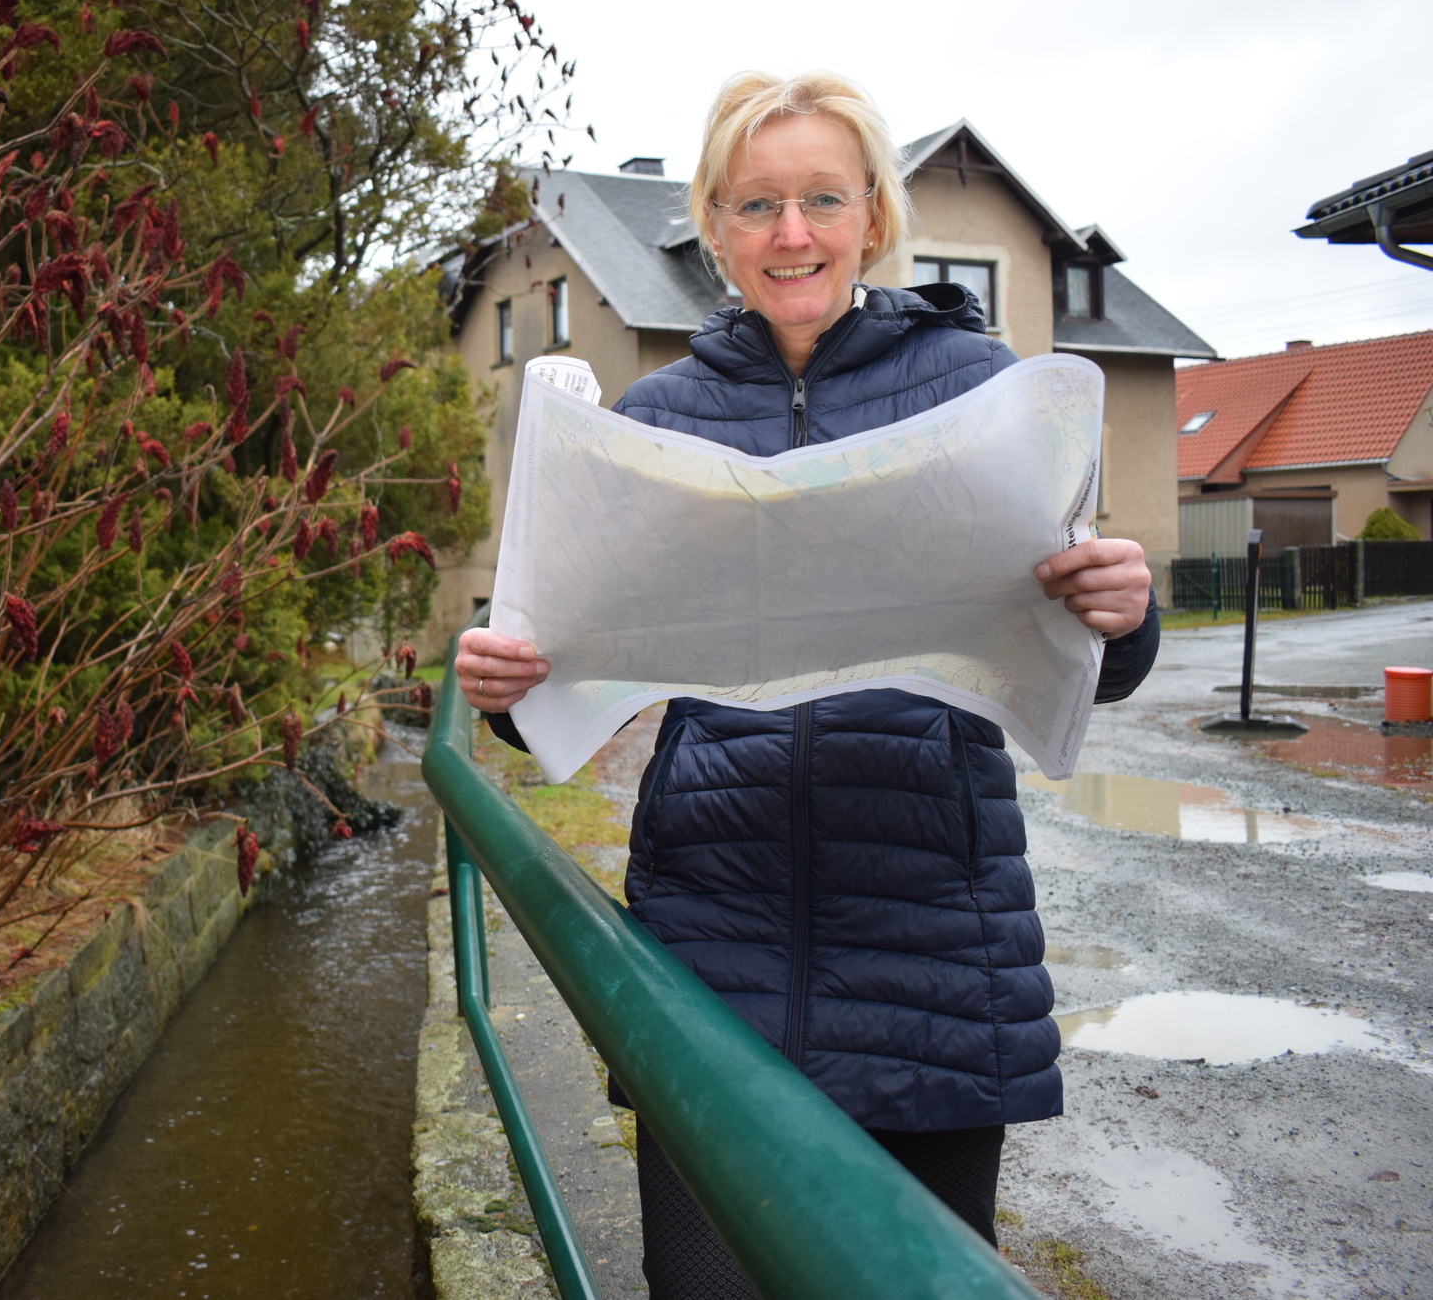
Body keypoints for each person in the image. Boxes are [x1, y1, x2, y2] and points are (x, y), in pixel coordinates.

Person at [456, 71, 1159, 1296]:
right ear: (713, 228)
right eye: (756, 205)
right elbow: (565, 679)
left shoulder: (977, 390)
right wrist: (509, 683)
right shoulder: (655, 420)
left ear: (872, 215)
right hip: (708, 940)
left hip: (931, 944)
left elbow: (1080, 651)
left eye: (822, 199)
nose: (791, 235)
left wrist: (1121, 612)